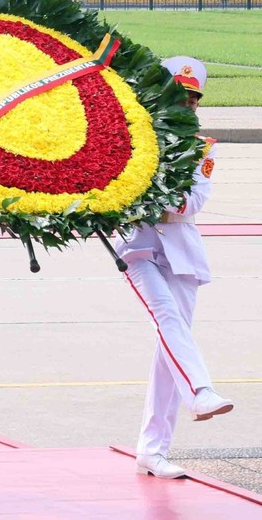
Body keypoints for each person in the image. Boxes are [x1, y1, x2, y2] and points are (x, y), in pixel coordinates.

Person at [116, 56, 234, 480]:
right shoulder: (130, 138)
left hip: (182, 251)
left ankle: (153, 450)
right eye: (177, 97)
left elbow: (192, 202)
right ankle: (201, 391)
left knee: (170, 349)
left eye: (192, 99)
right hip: (138, 248)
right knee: (167, 319)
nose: (185, 106)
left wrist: (150, 194)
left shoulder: (201, 147)